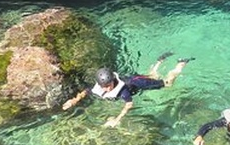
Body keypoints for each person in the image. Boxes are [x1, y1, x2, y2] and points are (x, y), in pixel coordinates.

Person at [61, 52, 191, 127]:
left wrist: (117, 119)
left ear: (113, 80)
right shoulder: (100, 86)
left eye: (109, 85)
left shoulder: (123, 91)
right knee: (152, 75)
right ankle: (159, 61)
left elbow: (129, 104)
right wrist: (74, 100)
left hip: (138, 83)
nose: (107, 88)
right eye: (104, 86)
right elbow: (86, 91)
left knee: (167, 83)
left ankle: (180, 64)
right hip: (132, 78)